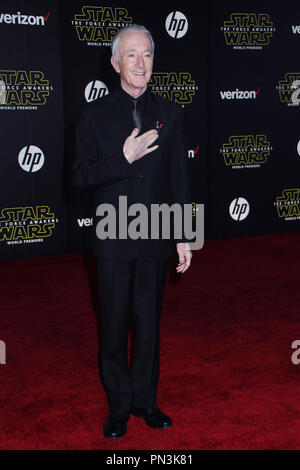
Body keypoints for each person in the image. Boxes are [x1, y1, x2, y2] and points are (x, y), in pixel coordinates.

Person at [73, 24, 192, 439]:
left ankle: (145, 400)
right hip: (112, 236)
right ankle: (119, 406)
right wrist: (122, 158)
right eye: (131, 55)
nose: (140, 63)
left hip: (157, 235)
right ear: (114, 63)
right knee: (114, 327)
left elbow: (179, 178)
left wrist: (183, 234)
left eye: (147, 54)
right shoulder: (93, 115)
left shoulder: (172, 113)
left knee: (149, 323)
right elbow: (80, 177)